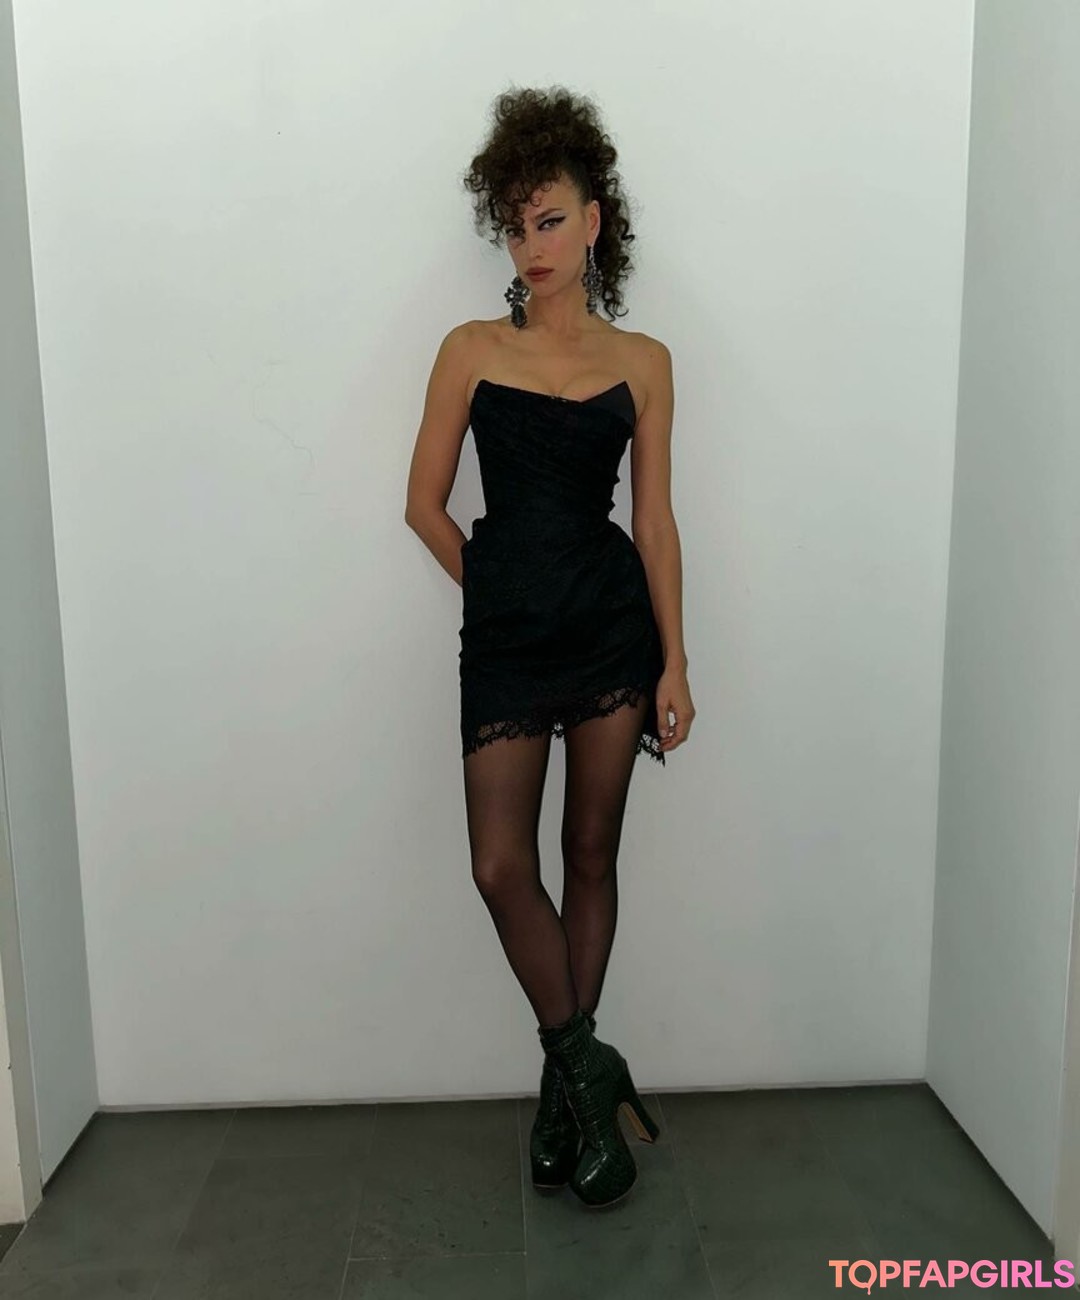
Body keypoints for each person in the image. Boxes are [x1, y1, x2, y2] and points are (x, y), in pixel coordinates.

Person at [404, 86, 694, 1208]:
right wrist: (499, 592)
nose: (533, 244)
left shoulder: (647, 360)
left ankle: (561, 1098)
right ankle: (587, 1063)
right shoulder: (470, 349)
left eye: (552, 219)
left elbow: (655, 524)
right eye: (517, 224)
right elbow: (423, 506)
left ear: (595, 222)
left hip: (613, 633)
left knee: (588, 854)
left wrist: (676, 662)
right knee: (497, 864)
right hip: (512, 640)